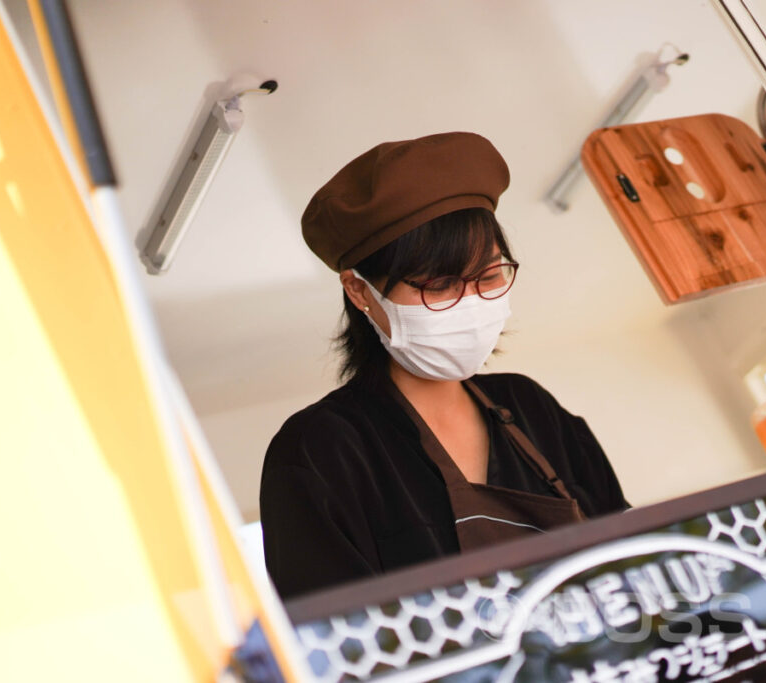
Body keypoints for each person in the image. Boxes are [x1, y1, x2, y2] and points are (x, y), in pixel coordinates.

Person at [260, 132, 629, 600]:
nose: (471, 303)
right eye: (440, 286)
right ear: (359, 292)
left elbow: (632, 557)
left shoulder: (530, 405)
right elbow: (341, 643)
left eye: (490, 277)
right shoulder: (322, 450)